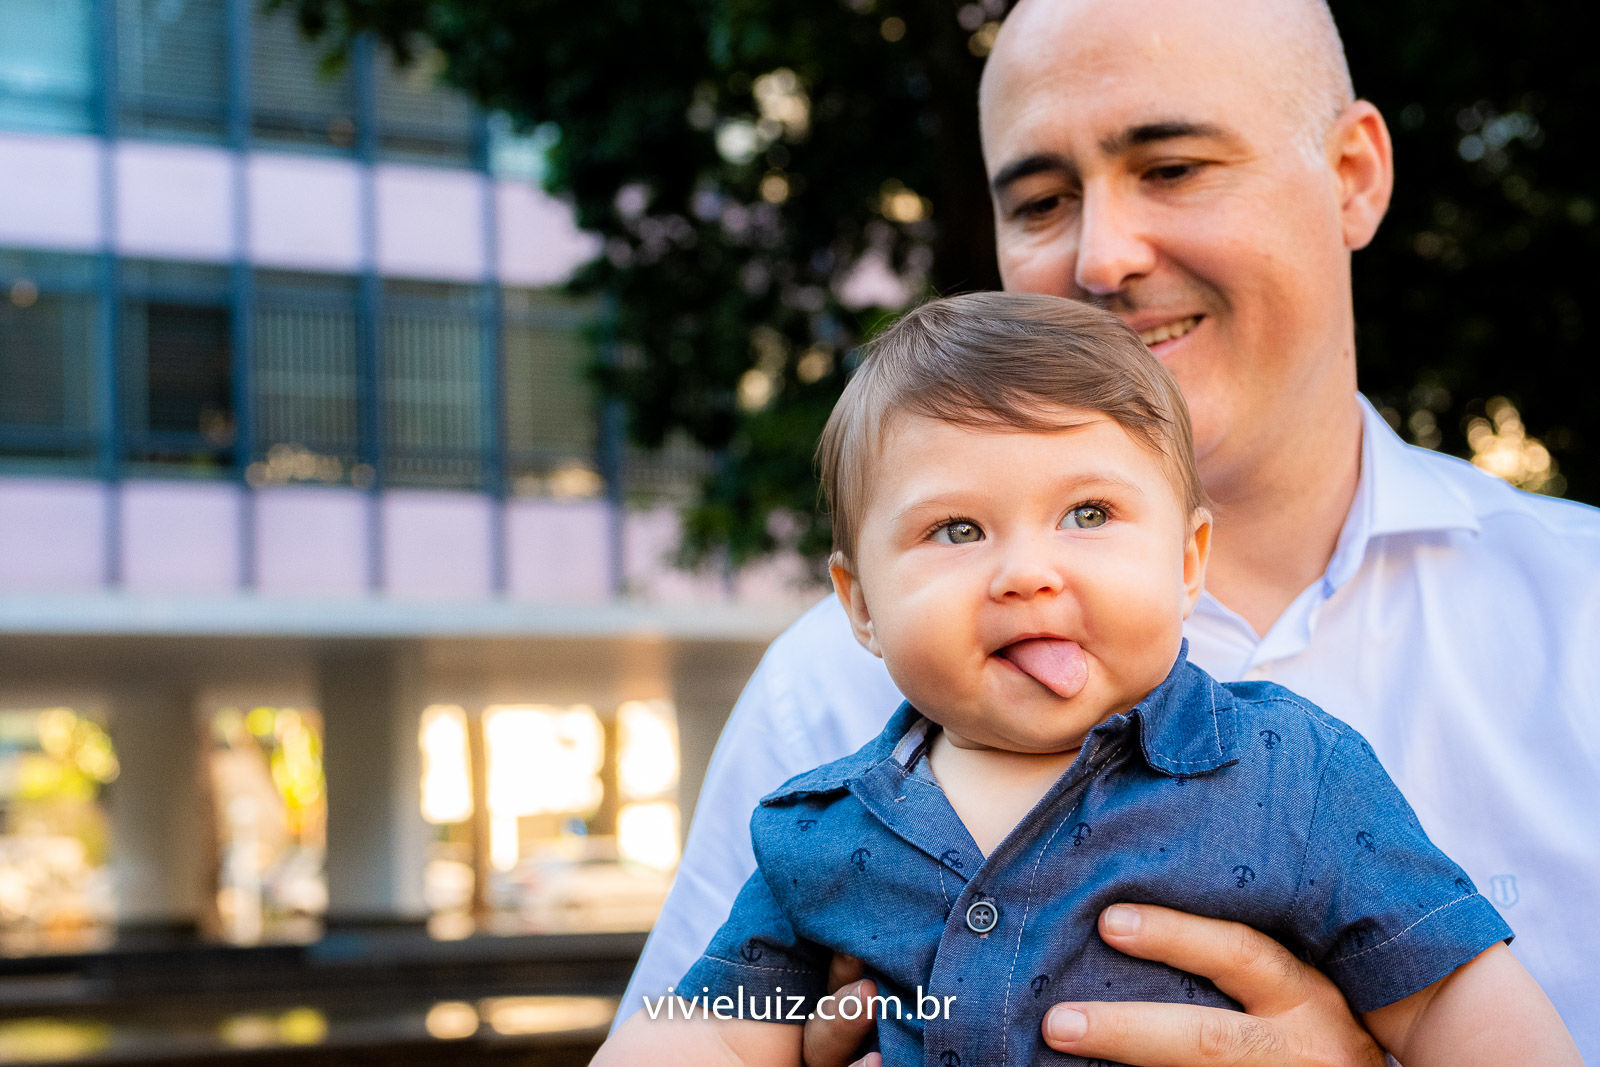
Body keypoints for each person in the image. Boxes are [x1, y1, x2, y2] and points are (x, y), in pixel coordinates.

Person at [620, 0, 1600, 1062]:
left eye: (1172, 167)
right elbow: (702, 1034)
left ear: (1353, 174)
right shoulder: (820, 720)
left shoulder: (1556, 623)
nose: (1104, 257)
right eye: (1043, 200)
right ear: (859, 600)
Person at [597, 292, 1577, 1066]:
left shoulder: (1291, 772)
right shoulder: (822, 831)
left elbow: (1447, 997)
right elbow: (716, 1030)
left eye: (1088, 514)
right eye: (956, 529)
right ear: (860, 605)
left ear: (1186, 562)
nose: (1026, 572)